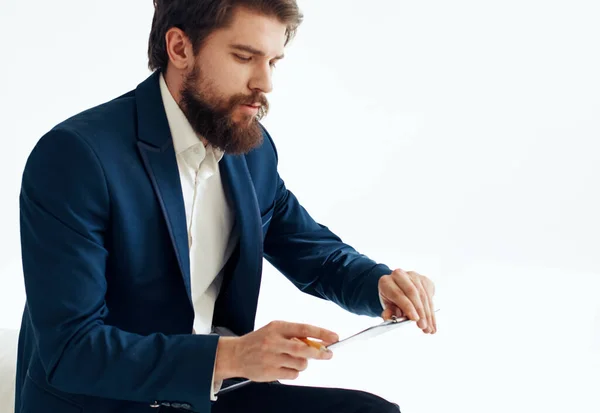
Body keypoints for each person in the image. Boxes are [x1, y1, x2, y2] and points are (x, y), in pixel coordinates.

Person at [15, 1, 437, 412]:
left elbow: (313, 252)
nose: (265, 83)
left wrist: (380, 284)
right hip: (110, 401)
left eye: (273, 61)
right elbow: (72, 350)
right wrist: (231, 357)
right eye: (244, 57)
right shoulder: (77, 157)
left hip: (214, 395)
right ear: (180, 48)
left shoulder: (250, 150)